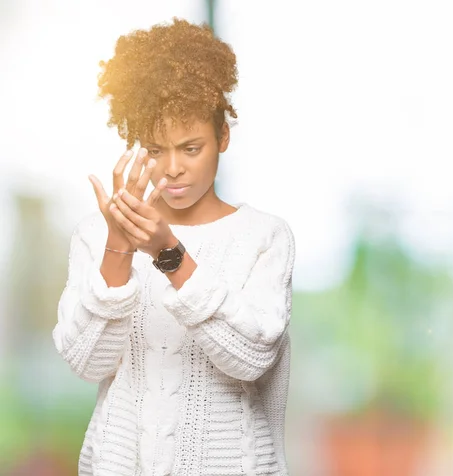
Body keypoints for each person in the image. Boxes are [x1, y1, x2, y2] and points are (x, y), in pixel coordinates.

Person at [52, 18, 295, 476]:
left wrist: (170, 253)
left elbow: (251, 358)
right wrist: (118, 249)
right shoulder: (95, 234)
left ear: (223, 137)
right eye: (155, 148)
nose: (173, 169)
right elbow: (86, 362)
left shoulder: (265, 236)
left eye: (191, 147)